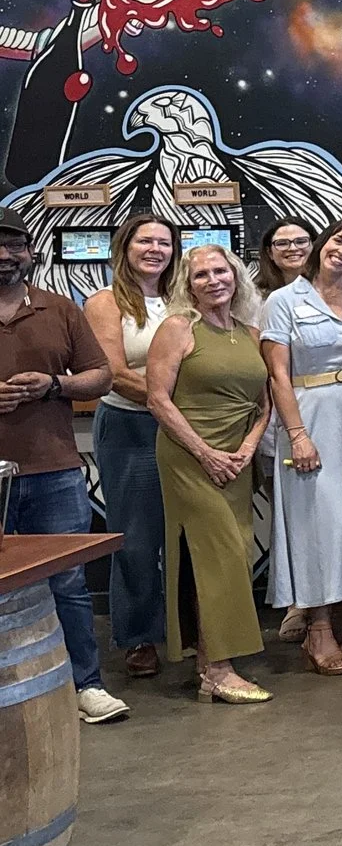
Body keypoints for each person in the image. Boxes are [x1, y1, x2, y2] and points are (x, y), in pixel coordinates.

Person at [0, 206, 118, 722]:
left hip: (54, 469)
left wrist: (55, 385)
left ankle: (85, 686)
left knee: (68, 584)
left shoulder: (60, 310)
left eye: (13, 246)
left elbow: (101, 376)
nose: (3, 257)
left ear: (30, 252)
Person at [147, 243, 271, 705]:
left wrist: (245, 449)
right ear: (187, 284)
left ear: (236, 276)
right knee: (214, 553)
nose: (214, 280)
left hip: (236, 458)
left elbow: (265, 403)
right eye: (202, 275)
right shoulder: (177, 328)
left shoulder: (250, 332)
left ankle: (207, 663)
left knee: (233, 552)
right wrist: (205, 453)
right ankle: (220, 669)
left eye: (221, 271)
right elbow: (158, 399)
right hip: (188, 455)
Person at [261, 218, 342, 676]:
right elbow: (277, 374)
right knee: (319, 520)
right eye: (339, 240)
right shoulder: (283, 301)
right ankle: (318, 631)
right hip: (311, 417)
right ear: (321, 244)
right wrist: (297, 434)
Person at [83, 213, 176, 679]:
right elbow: (114, 374)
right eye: (145, 241)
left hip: (185, 432)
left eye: (164, 241)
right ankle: (138, 635)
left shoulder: (184, 299)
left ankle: (189, 630)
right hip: (131, 429)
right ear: (125, 247)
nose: (155, 249)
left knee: (187, 537)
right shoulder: (105, 302)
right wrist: (177, 407)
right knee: (137, 539)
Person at [249, 214, 317, 646]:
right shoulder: (254, 297)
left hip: (328, 413)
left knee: (335, 516)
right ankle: (298, 602)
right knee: (290, 520)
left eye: (301, 240)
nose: (292, 248)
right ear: (269, 252)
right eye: (282, 243)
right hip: (274, 420)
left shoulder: (335, 289)